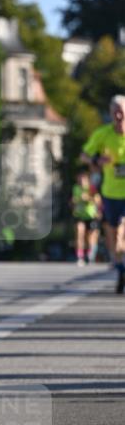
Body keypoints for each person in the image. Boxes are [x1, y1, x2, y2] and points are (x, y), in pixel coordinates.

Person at [80, 95, 125, 293]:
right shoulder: (103, 134)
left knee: (124, 227)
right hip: (110, 192)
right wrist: (97, 161)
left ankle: (122, 259)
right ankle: (118, 262)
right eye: (114, 111)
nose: (118, 115)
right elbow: (84, 155)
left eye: (121, 111)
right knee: (112, 231)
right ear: (110, 113)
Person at [71, 169, 101, 265]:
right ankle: (80, 256)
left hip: (90, 215)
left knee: (90, 236)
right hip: (79, 215)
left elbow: (98, 200)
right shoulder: (75, 188)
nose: (82, 180)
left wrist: (88, 198)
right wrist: (77, 200)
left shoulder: (91, 188)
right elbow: (72, 201)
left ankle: (89, 254)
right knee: (80, 232)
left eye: (84, 178)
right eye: (80, 178)